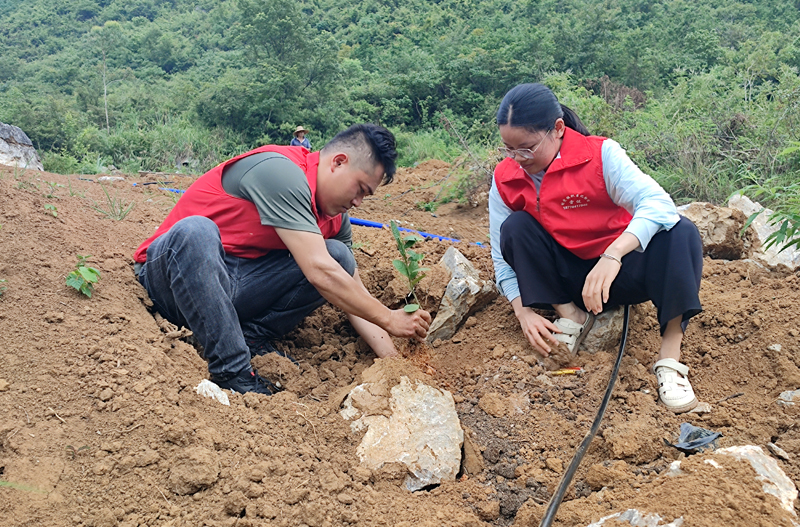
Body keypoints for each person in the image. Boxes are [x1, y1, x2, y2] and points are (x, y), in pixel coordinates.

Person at [133, 124, 432, 396]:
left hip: (231, 286)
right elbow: (318, 270)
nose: (358, 203)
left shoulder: (336, 219)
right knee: (196, 231)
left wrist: (394, 359)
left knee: (339, 257)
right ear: (338, 162)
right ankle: (233, 371)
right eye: (361, 189)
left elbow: (348, 285)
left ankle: (248, 337)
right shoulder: (281, 172)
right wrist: (389, 317)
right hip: (172, 281)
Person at [489, 83, 703, 413]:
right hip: (565, 280)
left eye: (527, 148)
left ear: (557, 129)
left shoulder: (600, 155)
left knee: (681, 231)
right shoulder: (505, 178)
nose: (518, 159)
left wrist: (614, 254)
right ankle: (570, 318)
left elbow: (658, 204)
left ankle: (669, 360)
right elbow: (500, 256)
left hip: (616, 276)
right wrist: (524, 311)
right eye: (509, 149)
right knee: (515, 228)